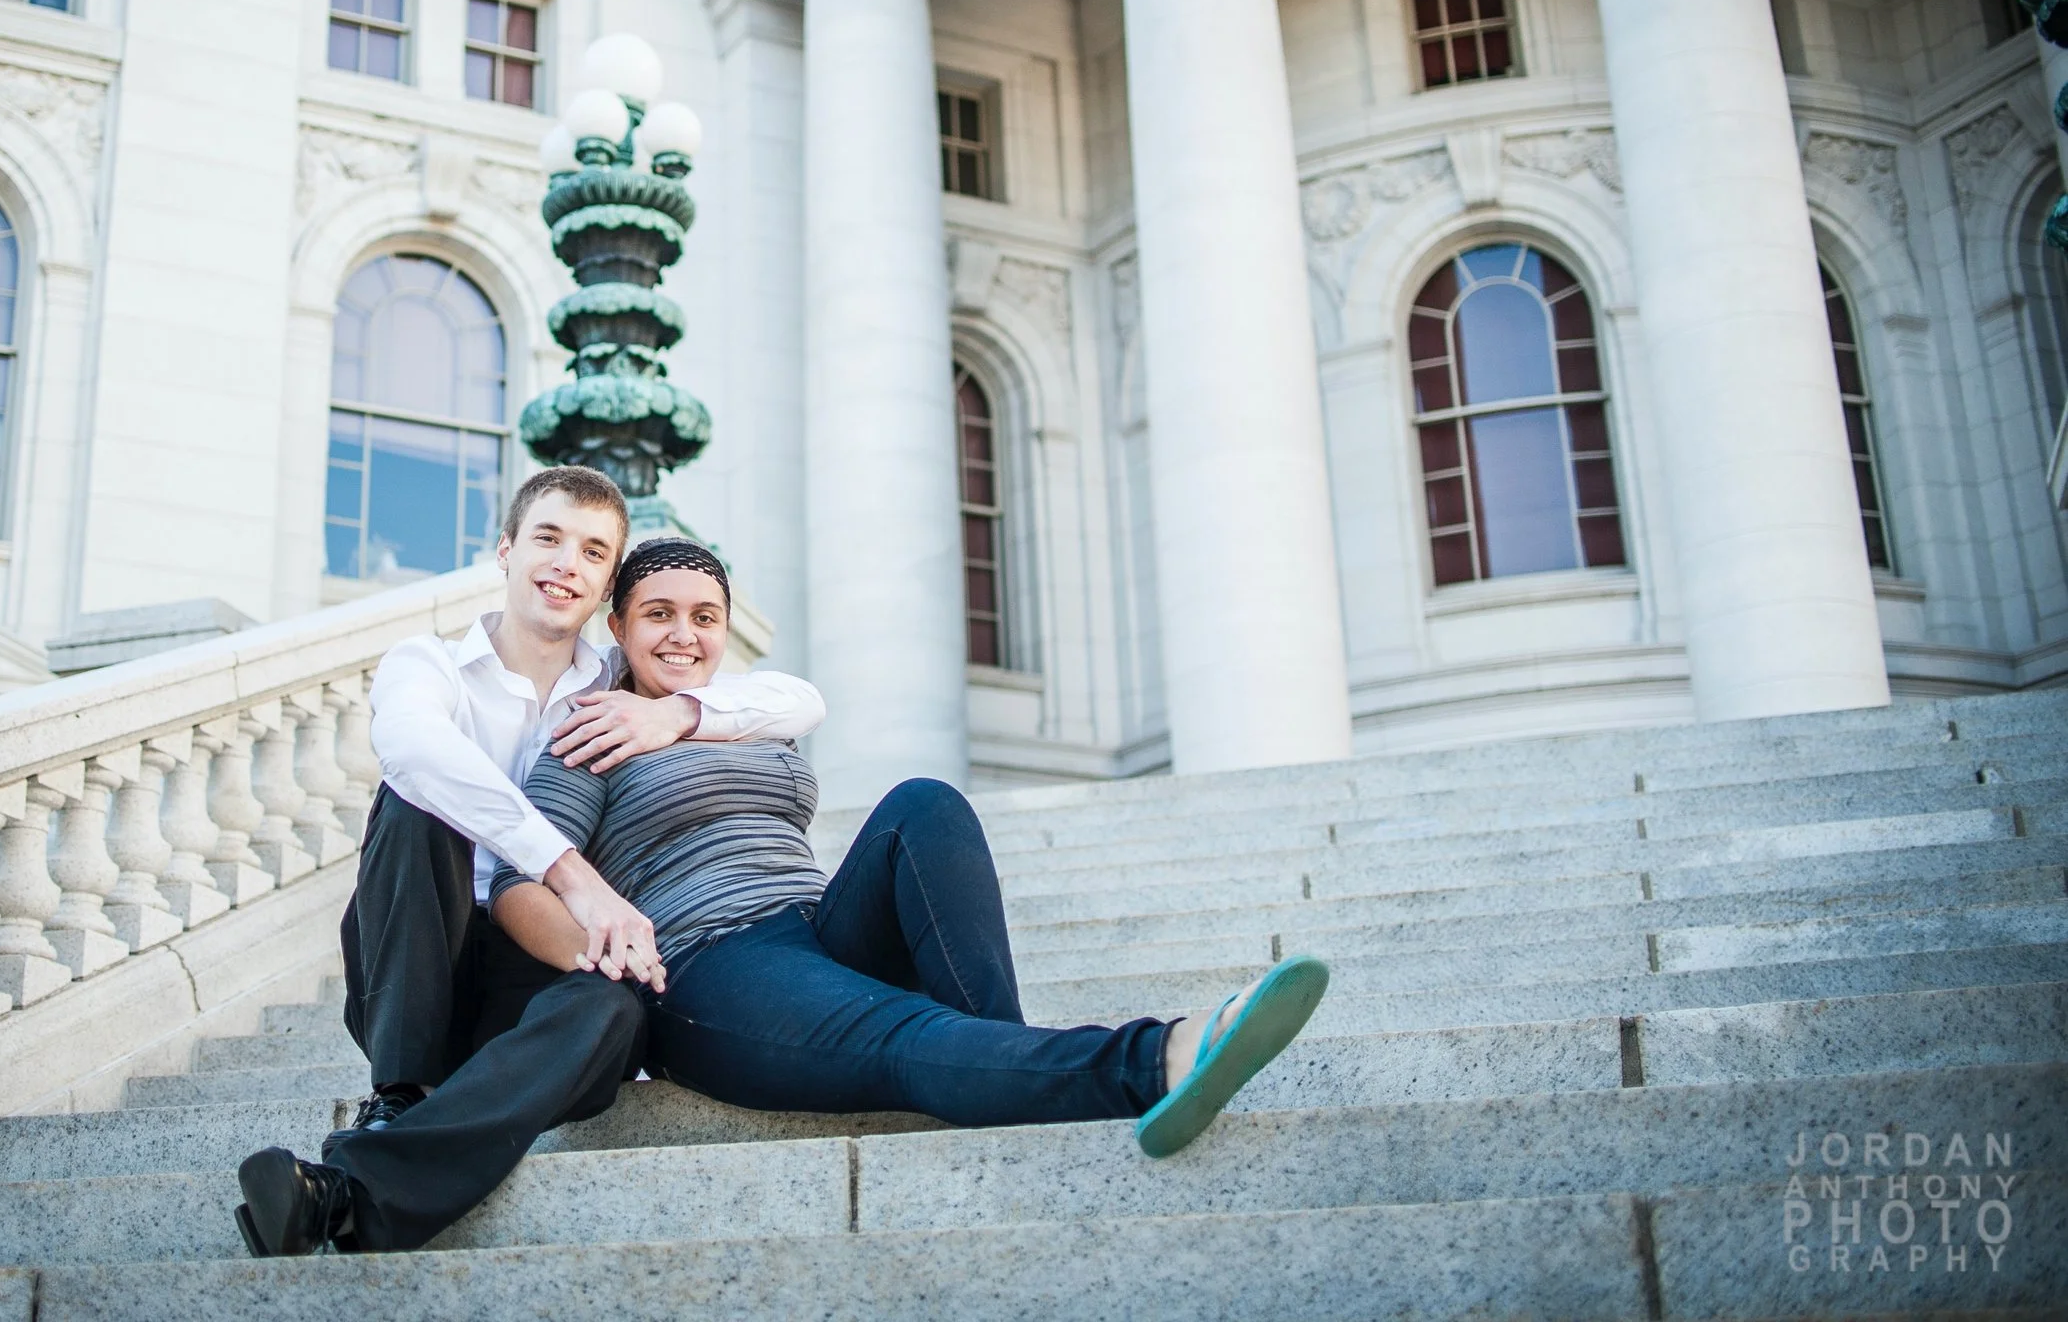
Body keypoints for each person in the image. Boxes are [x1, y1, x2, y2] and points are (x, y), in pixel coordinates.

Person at [490, 536, 1330, 1156]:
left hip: (816, 928)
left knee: (922, 803)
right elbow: (518, 885)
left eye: (705, 618)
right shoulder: (589, 729)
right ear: (618, 625)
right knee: (903, 1038)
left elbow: (800, 700)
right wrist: (615, 959)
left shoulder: (739, 715)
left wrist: (680, 715)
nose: (684, 635)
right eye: (659, 615)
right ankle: (1162, 1056)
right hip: (714, 963)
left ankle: (1005, 1065)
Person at [235, 467, 824, 1256]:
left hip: (537, 976)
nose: (564, 564)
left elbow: (798, 702)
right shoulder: (428, 664)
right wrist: (569, 873)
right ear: (506, 550)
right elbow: (413, 750)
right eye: (547, 538)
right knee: (418, 802)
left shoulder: (621, 687)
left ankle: (346, 1192)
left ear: (608, 588)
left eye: (591, 552)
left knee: (616, 1011)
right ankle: (399, 1091)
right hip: (419, 960)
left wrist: (676, 714)